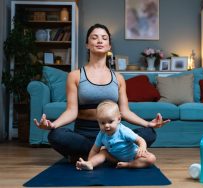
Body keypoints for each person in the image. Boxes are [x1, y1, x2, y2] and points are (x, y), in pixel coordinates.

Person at [33, 23, 170, 162]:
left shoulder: (118, 78)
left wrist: (148, 124)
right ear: (87, 44)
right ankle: (108, 154)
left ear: (109, 46)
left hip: (115, 136)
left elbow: (125, 112)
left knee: (149, 134)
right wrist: (53, 125)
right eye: (94, 37)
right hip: (85, 135)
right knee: (55, 135)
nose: (99, 41)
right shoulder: (75, 75)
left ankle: (96, 155)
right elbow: (71, 111)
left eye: (104, 38)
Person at [76, 100, 156, 170]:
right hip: (115, 158)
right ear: (98, 122)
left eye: (110, 122)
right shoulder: (101, 134)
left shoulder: (123, 131)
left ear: (119, 119)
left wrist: (142, 147)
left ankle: (129, 165)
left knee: (151, 158)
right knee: (103, 152)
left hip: (133, 156)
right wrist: (90, 161)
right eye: (102, 123)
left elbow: (140, 140)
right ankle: (90, 165)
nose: (106, 125)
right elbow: (94, 149)